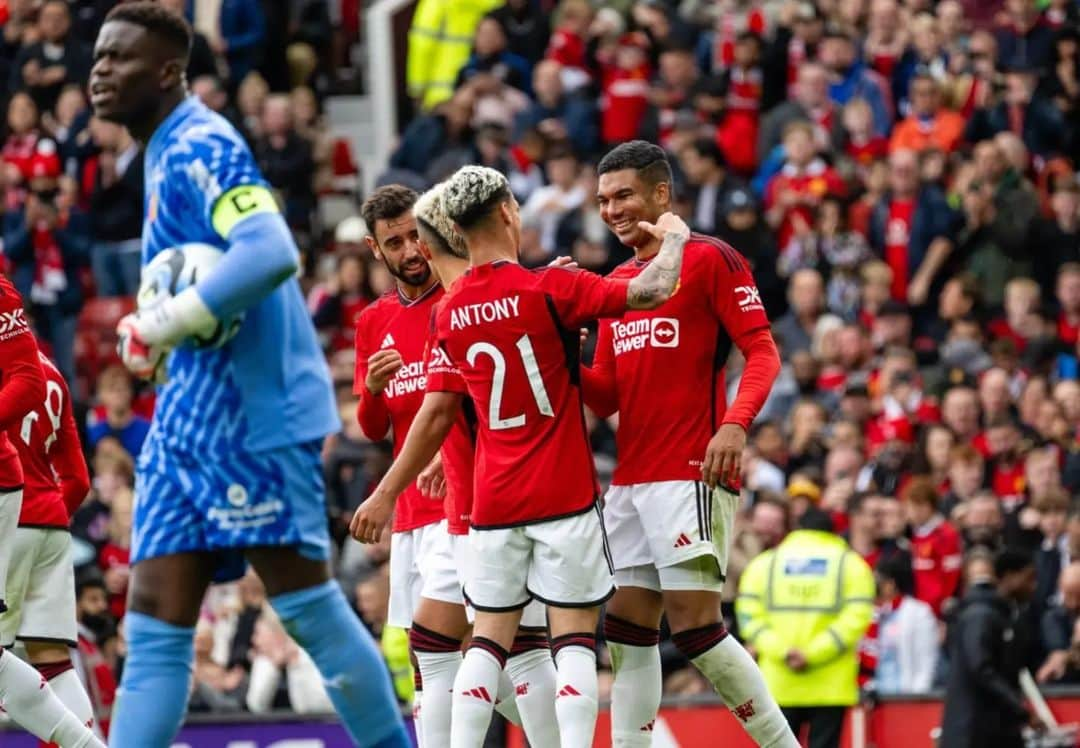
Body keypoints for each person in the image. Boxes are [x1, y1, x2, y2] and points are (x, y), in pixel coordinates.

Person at [88, 5, 408, 747]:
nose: (99, 71)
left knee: (309, 613)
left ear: (168, 71)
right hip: (185, 420)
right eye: (97, 57)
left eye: (118, 59)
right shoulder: (160, 152)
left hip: (249, 421)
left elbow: (268, 253)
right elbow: (202, 284)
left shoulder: (203, 141)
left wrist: (167, 322)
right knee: (155, 624)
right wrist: (158, 340)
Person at [350, 164, 688, 748]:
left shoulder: (447, 314)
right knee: (573, 640)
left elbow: (440, 408)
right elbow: (653, 289)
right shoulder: (550, 288)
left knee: (485, 643)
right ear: (509, 211)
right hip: (560, 493)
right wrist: (677, 236)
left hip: (491, 499)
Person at [577, 139, 794, 748]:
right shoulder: (618, 283)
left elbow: (762, 351)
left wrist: (736, 422)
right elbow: (607, 397)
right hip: (631, 480)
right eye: (602, 200)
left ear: (661, 194)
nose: (611, 210)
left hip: (691, 469)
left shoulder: (711, 259)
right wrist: (565, 353)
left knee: (697, 628)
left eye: (623, 196)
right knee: (624, 626)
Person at [405, 181, 556, 746]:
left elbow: (448, 409)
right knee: (434, 641)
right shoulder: (485, 297)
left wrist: (386, 490)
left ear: (427, 245)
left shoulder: (459, 307)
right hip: (463, 506)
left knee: (518, 652)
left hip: (490, 508)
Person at [0, 272, 102, 748]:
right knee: (53, 661)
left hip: (11, 514)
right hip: (51, 522)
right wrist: (49, 517)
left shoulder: (15, 372)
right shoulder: (55, 375)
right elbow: (79, 479)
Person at [737, 509, 875, 748]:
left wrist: (782, 650)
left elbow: (749, 617)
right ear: (833, 532)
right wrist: (813, 653)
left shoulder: (765, 564)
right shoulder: (851, 565)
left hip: (778, 683)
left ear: (796, 529)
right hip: (831, 686)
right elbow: (856, 619)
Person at [939, 547, 1038, 748]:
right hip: (973, 733)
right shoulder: (981, 615)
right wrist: (1019, 708)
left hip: (992, 732)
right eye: (1028, 578)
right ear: (1009, 577)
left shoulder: (1004, 615)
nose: (1033, 586)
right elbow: (981, 668)